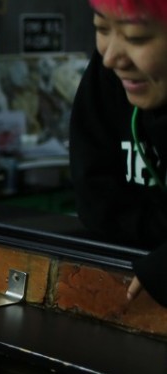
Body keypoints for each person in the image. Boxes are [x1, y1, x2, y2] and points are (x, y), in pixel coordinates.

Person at [70, 0, 167, 307]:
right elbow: (95, 200)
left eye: (137, 37)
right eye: (102, 29)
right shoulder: (108, 78)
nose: (111, 58)